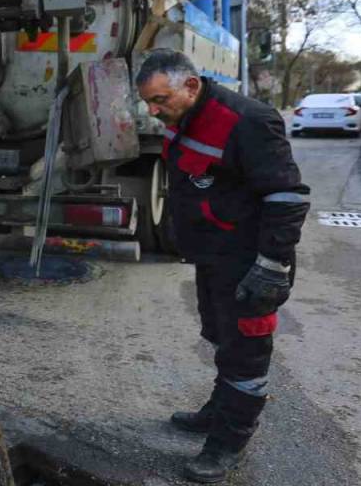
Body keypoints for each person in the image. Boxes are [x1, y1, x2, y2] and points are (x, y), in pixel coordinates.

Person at [135, 49, 310, 483]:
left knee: (247, 354)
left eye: (160, 100)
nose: (154, 112)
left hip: (251, 262)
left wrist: (271, 265)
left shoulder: (248, 121)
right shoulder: (185, 118)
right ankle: (219, 411)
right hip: (214, 258)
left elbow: (287, 197)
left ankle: (229, 440)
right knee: (220, 337)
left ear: (191, 85)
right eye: (148, 103)